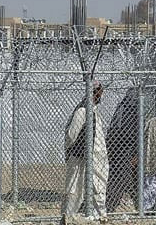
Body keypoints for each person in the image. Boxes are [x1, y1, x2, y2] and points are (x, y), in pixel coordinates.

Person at [61, 81, 109, 218]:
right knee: (74, 188)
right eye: (98, 93)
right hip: (80, 157)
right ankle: (68, 217)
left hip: (96, 158)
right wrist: (71, 153)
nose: (100, 96)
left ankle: (99, 216)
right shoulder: (82, 111)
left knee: (98, 187)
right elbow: (71, 135)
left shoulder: (92, 111)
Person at [106, 88, 140, 213]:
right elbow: (135, 132)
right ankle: (109, 206)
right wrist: (136, 153)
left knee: (126, 179)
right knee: (122, 178)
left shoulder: (122, 108)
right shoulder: (130, 109)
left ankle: (142, 207)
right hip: (125, 149)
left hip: (118, 148)